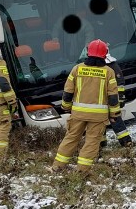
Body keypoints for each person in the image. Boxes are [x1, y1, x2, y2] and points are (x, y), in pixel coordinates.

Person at [52, 39, 122, 173]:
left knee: (71, 138)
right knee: (91, 142)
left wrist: (66, 107)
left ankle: (57, 166)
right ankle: (82, 171)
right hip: (98, 117)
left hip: (78, 114)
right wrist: (114, 115)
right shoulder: (109, 72)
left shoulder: (77, 69)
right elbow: (113, 97)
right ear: (105, 54)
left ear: (88, 52)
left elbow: (68, 92)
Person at [99, 51, 133, 149]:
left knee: (115, 119)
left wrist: (120, 98)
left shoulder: (112, 65)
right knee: (100, 121)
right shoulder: (97, 65)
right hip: (100, 99)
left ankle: (126, 141)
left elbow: (120, 82)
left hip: (112, 99)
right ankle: (101, 143)